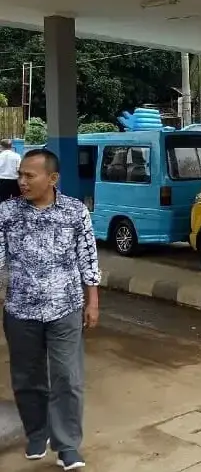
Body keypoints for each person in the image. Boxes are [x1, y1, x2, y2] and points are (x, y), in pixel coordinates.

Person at [0, 148, 100, 470]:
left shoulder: (75, 212)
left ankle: (67, 444)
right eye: (20, 175)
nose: (22, 182)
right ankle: (36, 432)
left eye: (30, 176)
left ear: (52, 178)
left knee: (67, 378)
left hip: (66, 309)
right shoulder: (7, 212)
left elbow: (88, 258)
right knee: (27, 378)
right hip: (20, 310)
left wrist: (92, 301)